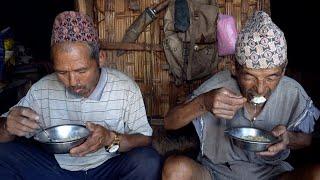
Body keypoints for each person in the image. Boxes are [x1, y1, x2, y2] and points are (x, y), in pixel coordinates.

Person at [0, 11, 162, 180]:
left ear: (100, 58)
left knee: (147, 161)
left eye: (81, 71)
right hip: (55, 170)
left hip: (107, 168)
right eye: (62, 72)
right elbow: (4, 132)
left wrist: (110, 139)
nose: (72, 81)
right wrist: (7, 126)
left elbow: (145, 139)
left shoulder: (125, 89)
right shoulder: (42, 90)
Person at [162, 11, 320, 180]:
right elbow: (169, 122)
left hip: (273, 174)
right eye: (249, 76)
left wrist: (288, 138)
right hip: (217, 172)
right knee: (175, 169)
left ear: (283, 70)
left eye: (271, 77)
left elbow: (306, 140)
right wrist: (203, 103)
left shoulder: (292, 92)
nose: (260, 89)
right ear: (235, 68)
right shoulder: (219, 85)